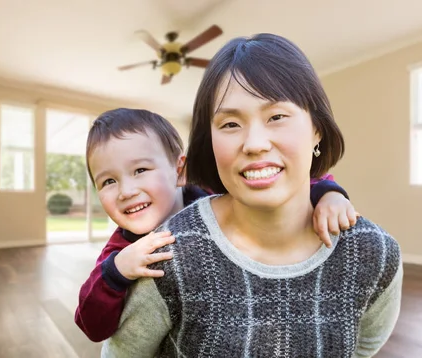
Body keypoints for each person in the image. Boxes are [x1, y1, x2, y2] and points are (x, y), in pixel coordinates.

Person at [101, 34, 402, 358]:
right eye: (230, 123)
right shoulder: (170, 253)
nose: (255, 143)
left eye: (276, 117)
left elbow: (364, 347)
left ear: (317, 129)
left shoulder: (374, 253)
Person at [75, 108, 356, 342]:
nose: (126, 191)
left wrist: (328, 194)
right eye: (108, 181)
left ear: (179, 171)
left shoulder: (213, 197)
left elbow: (280, 187)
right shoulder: (120, 250)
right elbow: (91, 325)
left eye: (140, 171)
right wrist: (116, 271)